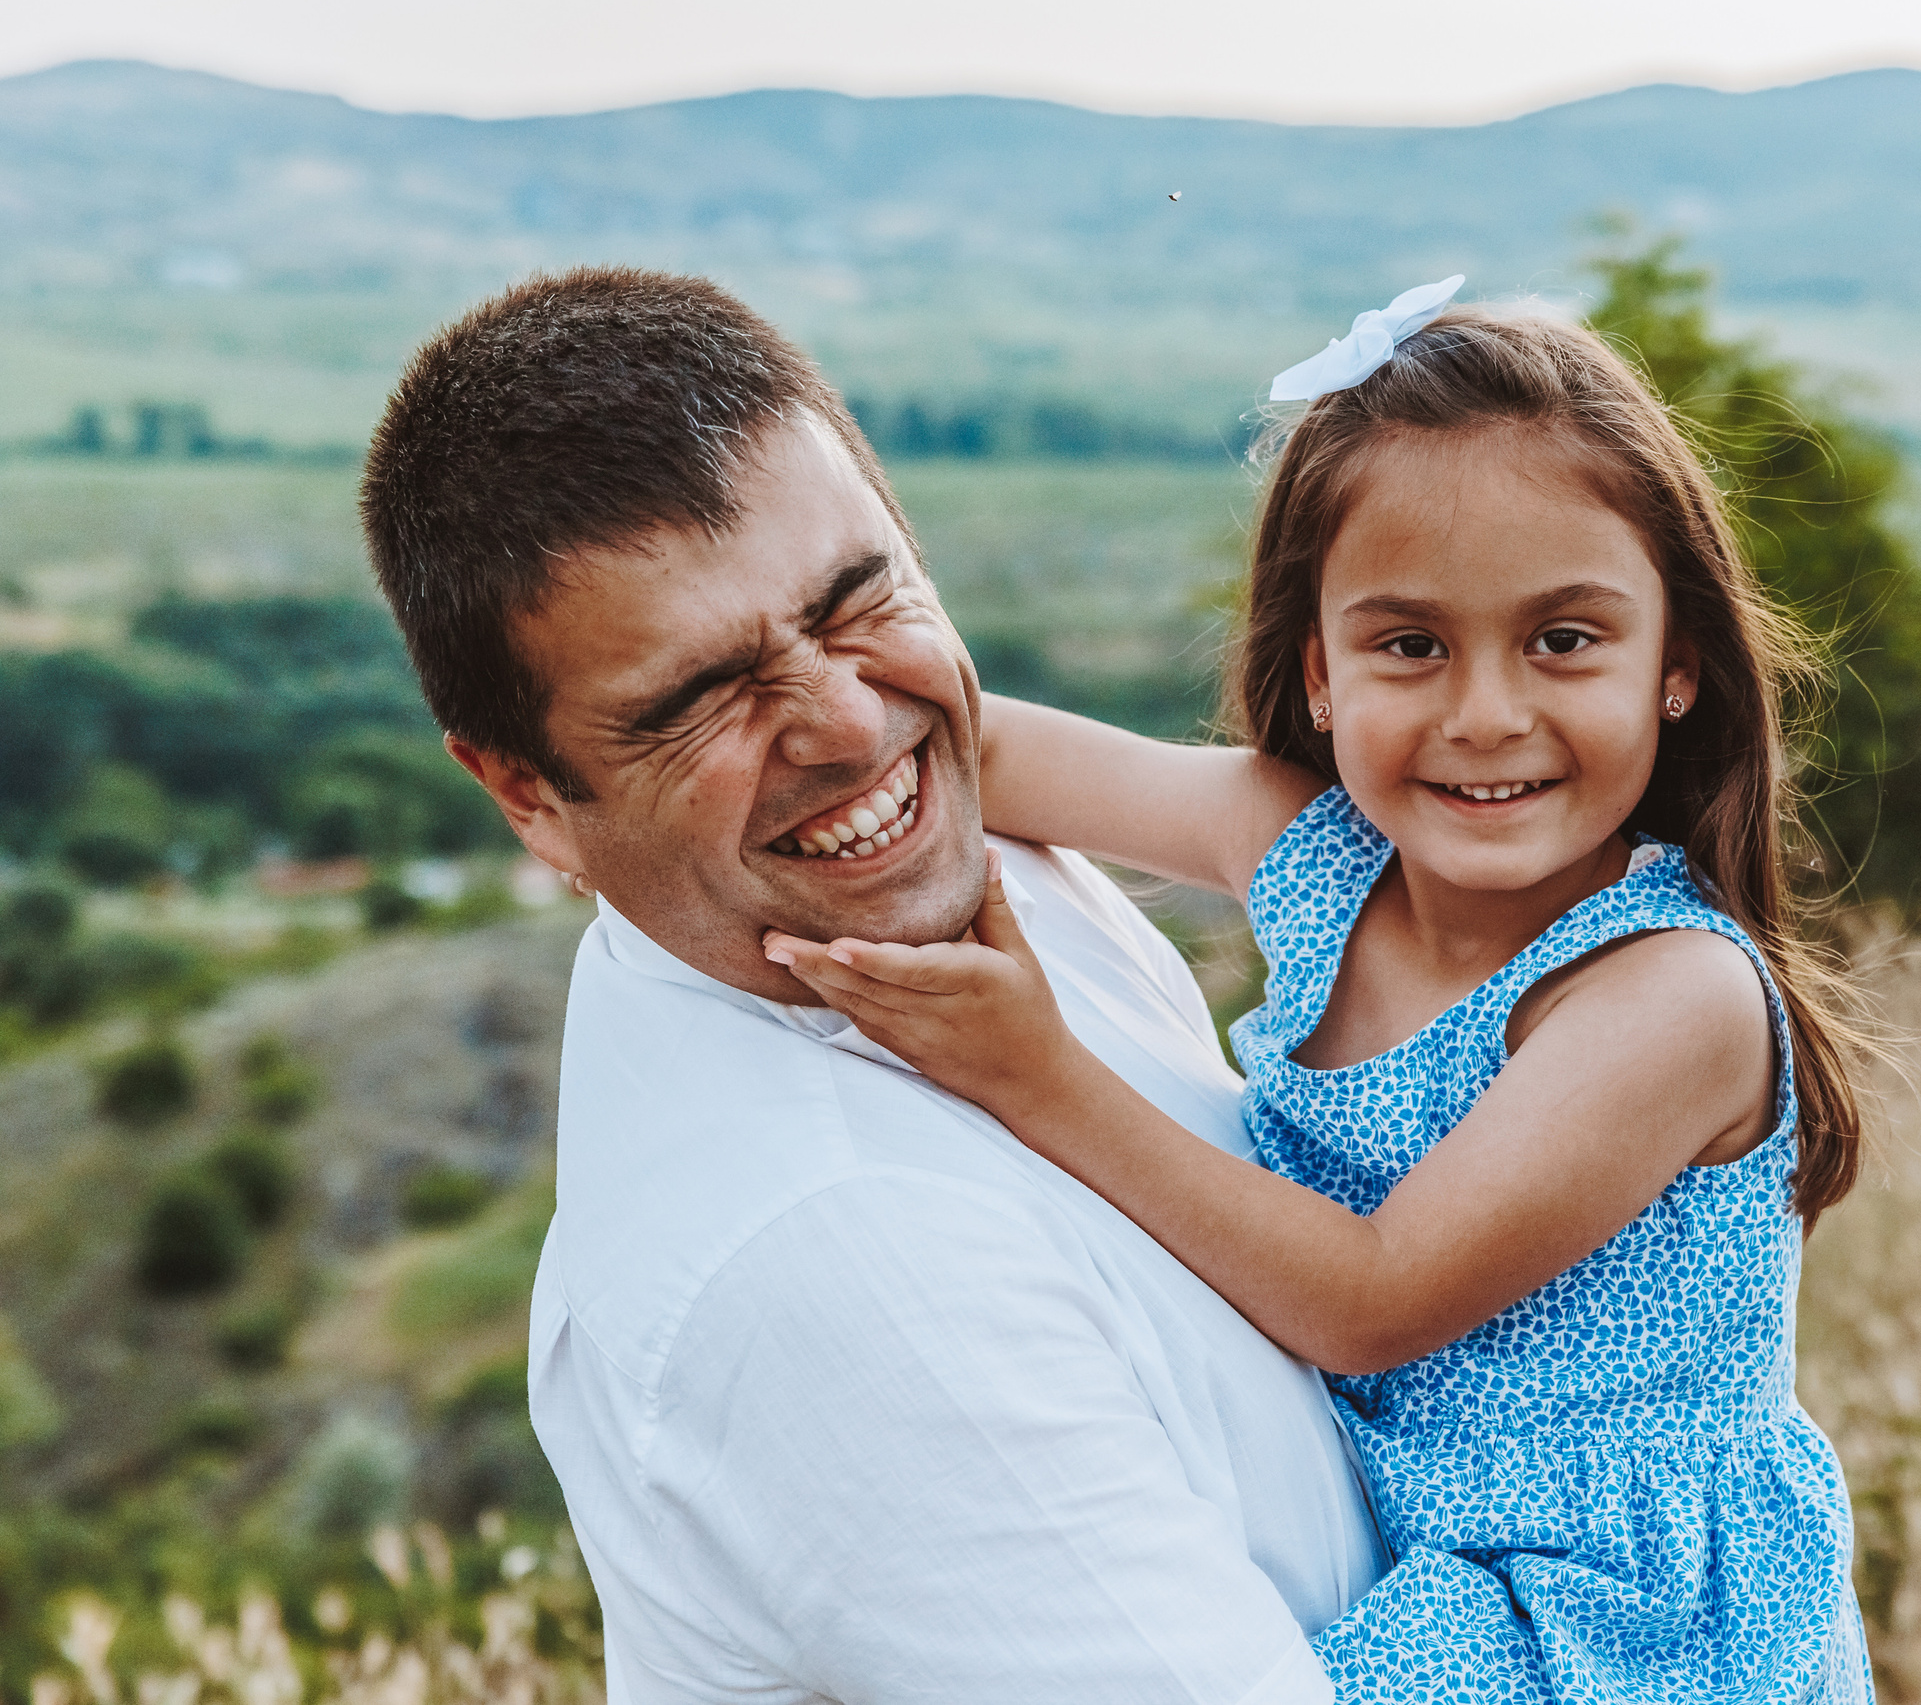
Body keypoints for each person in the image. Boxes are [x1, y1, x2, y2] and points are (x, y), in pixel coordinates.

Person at [766, 291, 1880, 1701]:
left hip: (1614, 1623)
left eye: (1565, 640)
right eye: (1410, 646)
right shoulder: (1313, 858)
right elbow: (978, 748)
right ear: (1322, 674)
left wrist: (1031, 1072)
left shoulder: (1666, 994)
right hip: (1427, 1551)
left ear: (1678, 669)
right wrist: (774, 726)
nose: (1486, 713)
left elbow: (1373, 1300)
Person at [359, 268, 1386, 1704]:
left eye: (857, 598)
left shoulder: (949, 869)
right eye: (699, 699)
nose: (847, 727)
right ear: (531, 798)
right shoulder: (838, 1260)